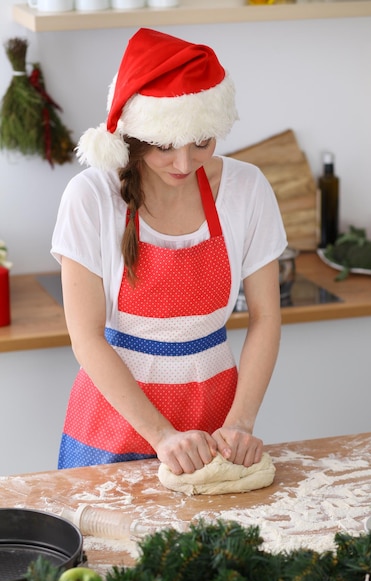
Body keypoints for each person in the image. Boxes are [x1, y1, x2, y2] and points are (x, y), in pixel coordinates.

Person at [51, 28, 287, 475]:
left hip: (215, 417)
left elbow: (266, 317)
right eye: (163, 148)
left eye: (202, 143)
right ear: (136, 137)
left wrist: (240, 422)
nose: (184, 164)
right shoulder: (91, 196)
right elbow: (85, 337)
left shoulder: (246, 189)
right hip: (114, 420)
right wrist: (161, 435)